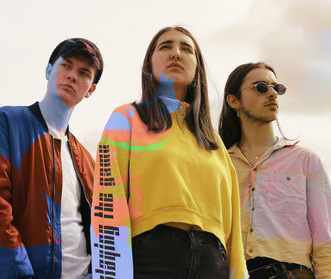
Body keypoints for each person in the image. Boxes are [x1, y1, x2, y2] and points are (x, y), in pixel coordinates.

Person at [90, 26, 247, 279]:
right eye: (165, 47)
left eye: (186, 49)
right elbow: (108, 201)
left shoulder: (214, 141)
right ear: (148, 65)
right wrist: (110, 274)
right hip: (151, 258)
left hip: (213, 262)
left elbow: (233, 232)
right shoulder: (126, 119)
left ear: (197, 69)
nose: (176, 53)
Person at [0, 38, 104, 279]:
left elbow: (99, 228)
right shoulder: (6, 122)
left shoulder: (88, 161)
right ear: (49, 70)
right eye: (66, 66)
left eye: (83, 73)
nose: (72, 76)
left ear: (90, 89)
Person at [218, 62, 331, 278]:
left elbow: (325, 241)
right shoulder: (219, 163)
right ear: (233, 101)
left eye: (276, 88)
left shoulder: (305, 161)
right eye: (261, 87)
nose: (271, 93)